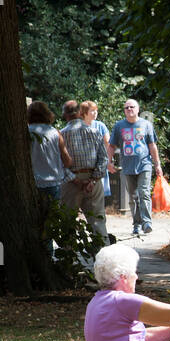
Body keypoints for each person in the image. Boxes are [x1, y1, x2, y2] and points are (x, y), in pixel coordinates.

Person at [60, 99, 112, 244]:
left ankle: (69, 262)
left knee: (67, 223)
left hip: (71, 182)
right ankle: (104, 259)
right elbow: (103, 159)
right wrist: (93, 180)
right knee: (98, 223)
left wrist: (76, 180)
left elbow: (60, 164)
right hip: (93, 181)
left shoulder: (61, 135)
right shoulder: (95, 132)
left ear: (65, 115)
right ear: (79, 113)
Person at [110, 98, 162, 237]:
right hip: (127, 167)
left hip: (144, 164)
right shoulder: (119, 125)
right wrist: (109, 162)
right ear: (124, 111)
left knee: (144, 193)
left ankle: (147, 223)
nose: (129, 109)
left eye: (132, 107)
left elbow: (152, 145)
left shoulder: (146, 124)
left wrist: (157, 164)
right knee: (133, 198)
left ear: (138, 109)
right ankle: (136, 224)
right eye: (126, 108)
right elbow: (112, 145)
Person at [27, 100, 71, 202]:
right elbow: (67, 161)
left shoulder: (26, 132)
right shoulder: (55, 133)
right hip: (53, 183)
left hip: (33, 183)